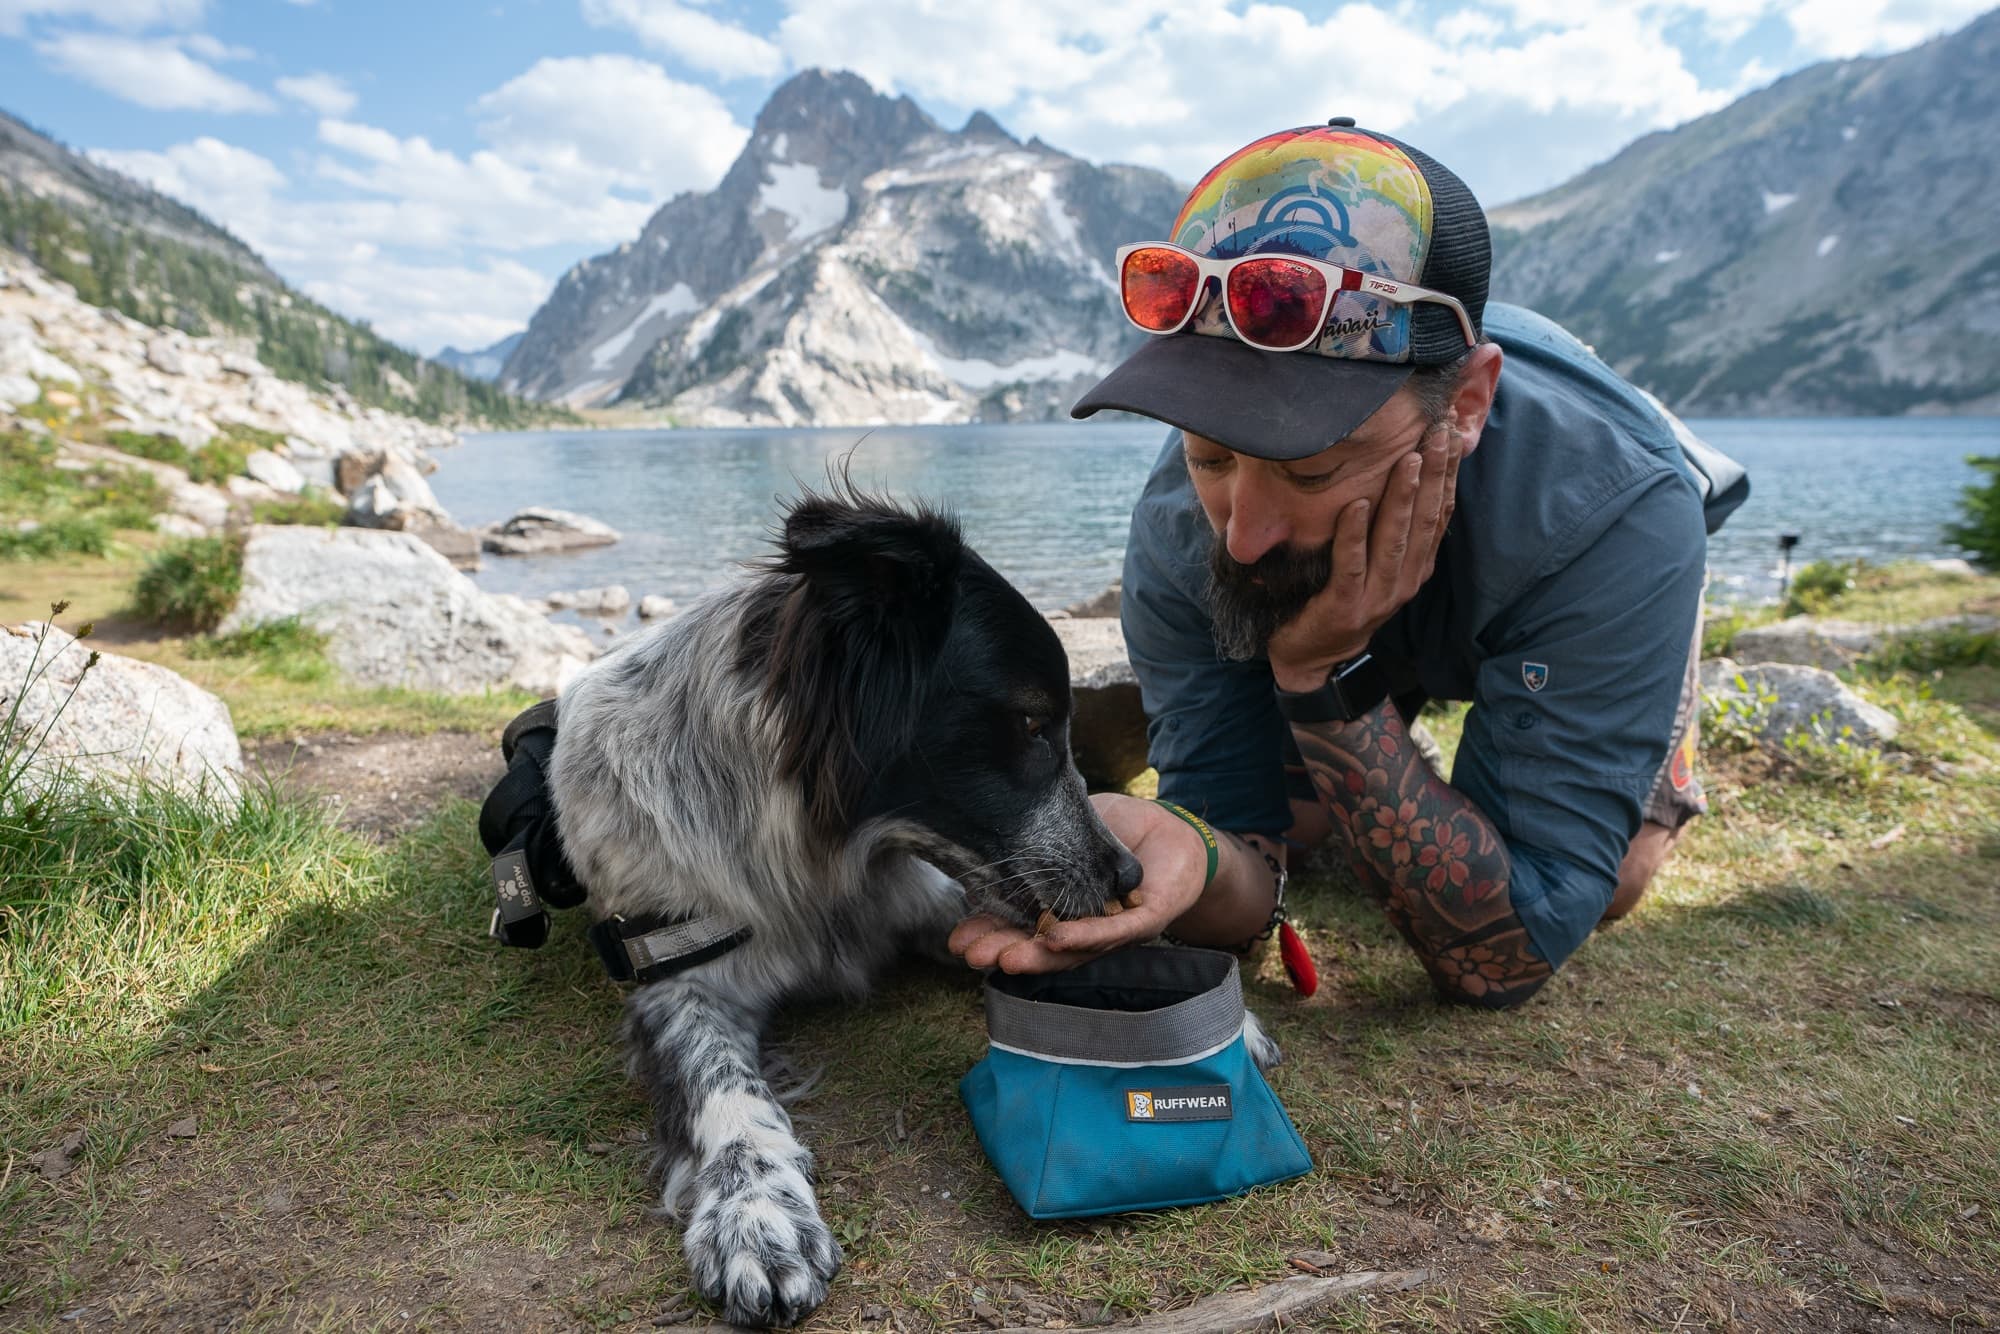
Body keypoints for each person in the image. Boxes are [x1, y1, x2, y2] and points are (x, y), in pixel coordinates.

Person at [949, 120, 1746, 1008]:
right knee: (1313, 821)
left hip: (1589, 533)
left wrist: (1322, 676)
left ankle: (1653, 739)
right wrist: (1193, 854)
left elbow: (1509, 953)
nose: (1242, 536)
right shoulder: (1185, 530)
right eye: (1212, 455)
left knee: (1618, 879)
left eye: (1312, 465)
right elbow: (1240, 846)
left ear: (1468, 405)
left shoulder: (1613, 509)